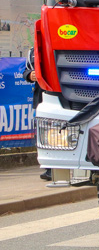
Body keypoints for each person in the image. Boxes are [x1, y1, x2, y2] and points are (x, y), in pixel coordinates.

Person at [23, 49, 49, 181]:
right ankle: (49, 168)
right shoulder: (32, 51)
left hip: (61, 96)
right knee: (42, 133)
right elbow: (26, 70)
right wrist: (29, 75)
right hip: (40, 99)